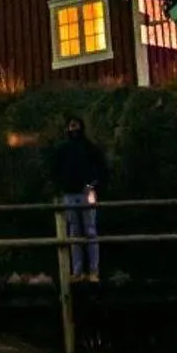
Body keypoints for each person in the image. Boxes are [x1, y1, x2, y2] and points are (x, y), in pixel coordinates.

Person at [51, 116, 109, 281]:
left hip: (86, 194)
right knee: (75, 234)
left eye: (76, 126)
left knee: (90, 232)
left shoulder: (90, 148)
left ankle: (93, 271)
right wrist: (61, 187)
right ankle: (78, 271)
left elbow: (101, 170)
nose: (74, 129)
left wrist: (93, 187)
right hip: (70, 195)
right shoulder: (63, 150)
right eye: (71, 126)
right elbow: (54, 171)